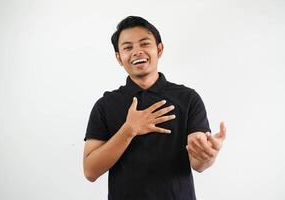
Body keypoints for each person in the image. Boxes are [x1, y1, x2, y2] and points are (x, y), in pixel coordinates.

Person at [83, 16, 226, 200]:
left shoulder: (188, 98)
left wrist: (207, 156)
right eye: (128, 48)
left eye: (145, 43)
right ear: (119, 58)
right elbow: (90, 171)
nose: (137, 52)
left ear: (159, 49)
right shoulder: (105, 105)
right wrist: (129, 130)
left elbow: (198, 162)